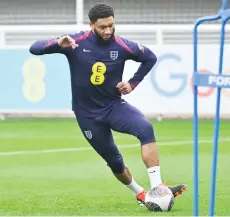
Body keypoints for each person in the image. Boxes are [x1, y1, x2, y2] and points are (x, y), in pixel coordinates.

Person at [29, 3, 186, 208]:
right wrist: (58, 42)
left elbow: (150, 58)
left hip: (113, 106)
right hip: (87, 116)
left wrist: (132, 83)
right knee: (115, 161)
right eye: (102, 27)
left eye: (111, 25)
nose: (108, 31)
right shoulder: (74, 42)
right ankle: (141, 194)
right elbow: (35, 48)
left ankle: (157, 189)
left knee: (145, 128)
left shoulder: (122, 45)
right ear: (91, 25)